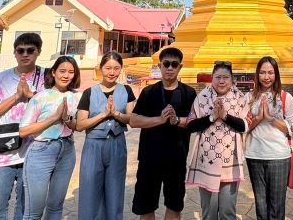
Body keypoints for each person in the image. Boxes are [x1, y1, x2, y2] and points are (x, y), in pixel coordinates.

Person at [0, 33, 47, 220]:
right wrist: (16, 97)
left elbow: (56, 110)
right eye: (21, 50)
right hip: (3, 153)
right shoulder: (0, 79)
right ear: (15, 53)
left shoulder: (48, 78)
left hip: (35, 151)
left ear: (38, 52)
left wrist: (32, 96)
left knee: (27, 208)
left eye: (30, 50)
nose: (25, 54)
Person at [129, 47, 197, 220]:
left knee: (174, 207)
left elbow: (195, 123)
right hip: (149, 158)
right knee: (146, 207)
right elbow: (134, 120)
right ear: (160, 66)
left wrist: (177, 121)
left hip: (176, 159)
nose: (170, 68)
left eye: (174, 64)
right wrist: (159, 120)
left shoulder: (189, 93)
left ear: (180, 67)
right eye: (166, 64)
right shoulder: (148, 92)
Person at [19, 56, 81, 220]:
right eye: (62, 71)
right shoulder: (41, 96)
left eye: (71, 72)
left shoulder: (76, 97)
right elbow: (23, 131)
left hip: (67, 151)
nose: (66, 75)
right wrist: (53, 118)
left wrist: (66, 118)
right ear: (53, 73)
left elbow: (76, 126)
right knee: (33, 212)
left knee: (55, 208)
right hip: (41, 152)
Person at [185, 61, 249, 220]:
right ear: (212, 78)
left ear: (232, 79)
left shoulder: (240, 98)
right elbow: (191, 125)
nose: (222, 81)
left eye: (226, 77)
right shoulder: (201, 98)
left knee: (228, 212)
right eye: (218, 77)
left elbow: (244, 126)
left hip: (230, 162)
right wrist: (213, 117)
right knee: (209, 213)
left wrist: (225, 116)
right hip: (207, 161)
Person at [76, 51, 136, 220]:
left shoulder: (126, 90)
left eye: (116, 68)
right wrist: (103, 114)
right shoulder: (89, 92)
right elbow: (80, 124)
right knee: (90, 191)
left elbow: (131, 119)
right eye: (108, 68)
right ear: (100, 68)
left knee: (115, 191)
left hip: (117, 143)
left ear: (121, 69)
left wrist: (116, 114)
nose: (112, 72)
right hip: (93, 145)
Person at [244, 56, 293, 220]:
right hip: (254, 155)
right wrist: (259, 118)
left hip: (278, 156)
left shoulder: (285, 97)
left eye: (270, 73)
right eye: (262, 73)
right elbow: (244, 127)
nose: (266, 77)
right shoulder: (249, 98)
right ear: (257, 75)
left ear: (276, 75)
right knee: (261, 206)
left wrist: (271, 119)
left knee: (276, 207)